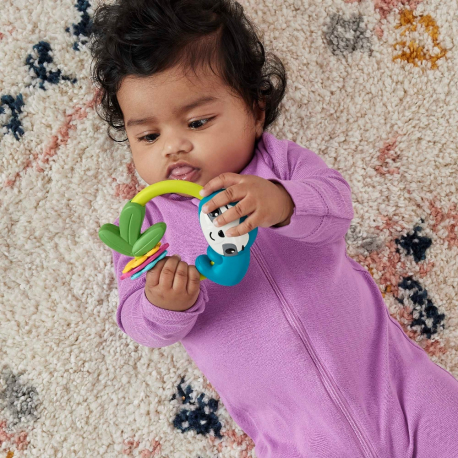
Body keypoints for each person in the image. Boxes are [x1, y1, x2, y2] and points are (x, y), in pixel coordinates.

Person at [88, 1, 458, 456]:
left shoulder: (279, 164)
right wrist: (164, 304)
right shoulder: (144, 226)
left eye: (198, 122)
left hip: (400, 388)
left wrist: (281, 201)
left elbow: (337, 206)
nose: (173, 146)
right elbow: (137, 321)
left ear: (256, 111)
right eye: (148, 136)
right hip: (298, 435)